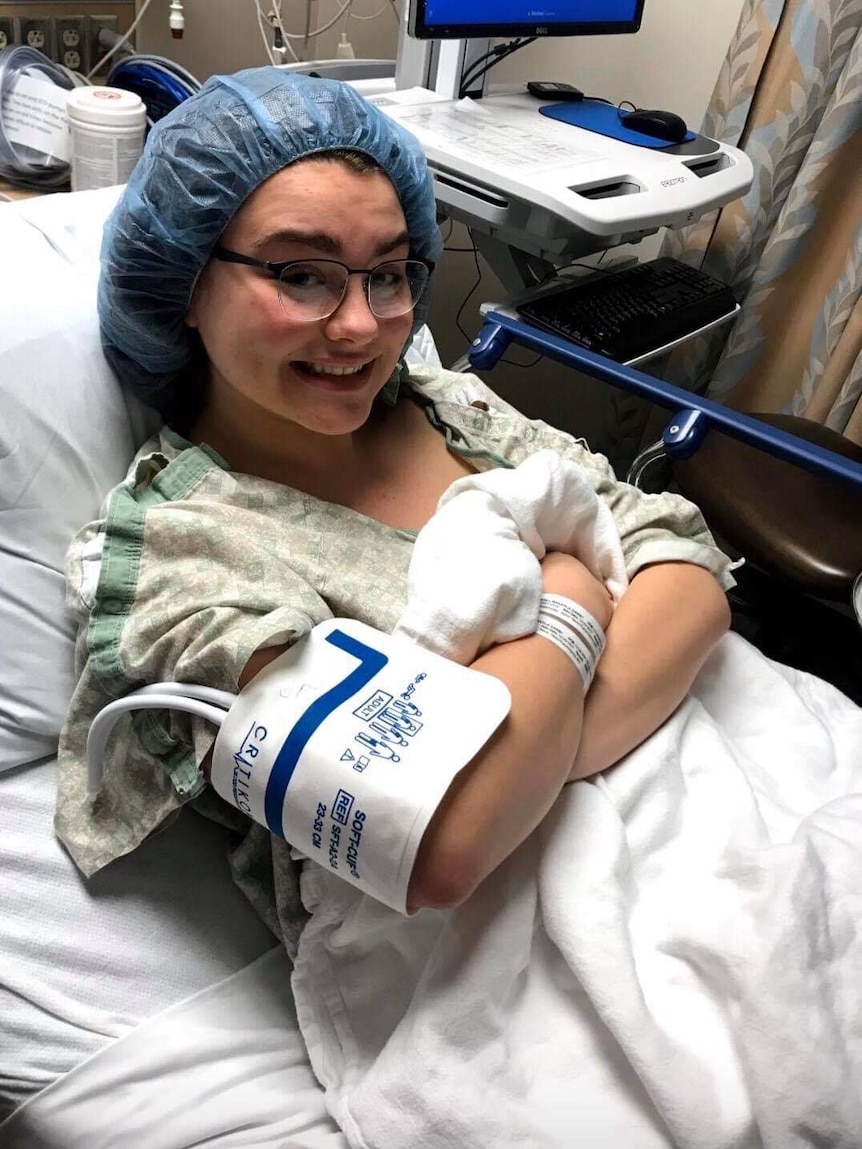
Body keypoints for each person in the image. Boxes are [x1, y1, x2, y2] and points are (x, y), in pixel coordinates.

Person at [56, 67, 734, 925]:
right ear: (184, 280)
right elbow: (435, 842)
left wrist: (530, 754)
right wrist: (571, 590)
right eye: (301, 274)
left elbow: (689, 567)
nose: (361, 326)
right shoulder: (184, 549)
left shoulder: (451, 408)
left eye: (390, 273)